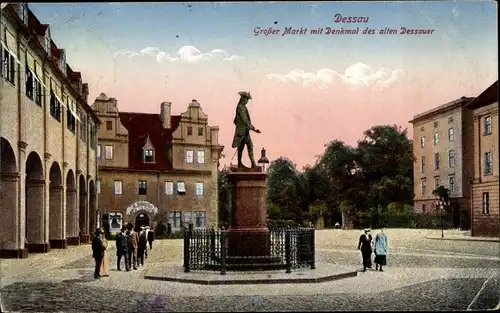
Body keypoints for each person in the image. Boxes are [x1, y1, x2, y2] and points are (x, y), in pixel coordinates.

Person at [231, 91, 261, 168]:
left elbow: (235, 120)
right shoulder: (240, 107)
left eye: (247, 99)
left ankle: (252, 164)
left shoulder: (242, 107)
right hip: (242, 132)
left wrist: (242, 126)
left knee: (249, 146)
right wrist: (253, 128)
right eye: (246, 99)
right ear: (243, 99)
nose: (247, 101)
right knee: (242, 147)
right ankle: (241, 164)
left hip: (245, 131)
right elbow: (245, 120)